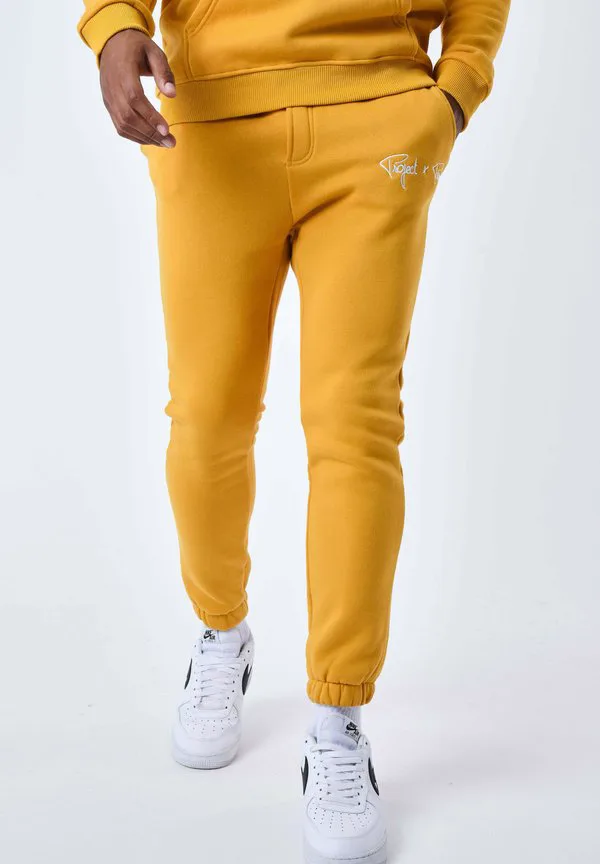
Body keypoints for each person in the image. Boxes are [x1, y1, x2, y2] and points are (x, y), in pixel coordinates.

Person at [78, 2, 510, 861]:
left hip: (378, 120)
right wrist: (113, 26)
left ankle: (337, 715)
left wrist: (455, 92)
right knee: (206, 416)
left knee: (357, 423)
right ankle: (222, 632)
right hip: (210, 121)